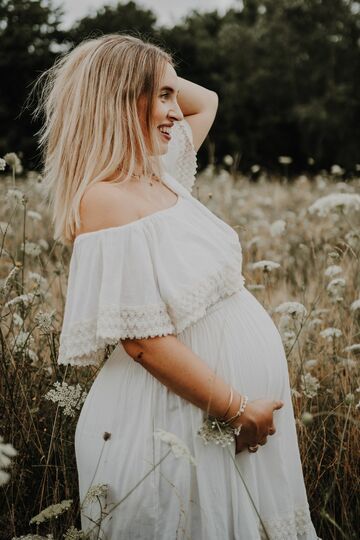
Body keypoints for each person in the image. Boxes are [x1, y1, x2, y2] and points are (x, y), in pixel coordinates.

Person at [34, 34, 319, 539]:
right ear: (120, 99)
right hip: (170, 421)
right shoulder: (104, 200)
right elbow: (142, 340)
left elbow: (206, 100)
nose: (174, 110)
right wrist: (237, 410)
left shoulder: (158, 171)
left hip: (218, 419)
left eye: (171, 94)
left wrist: (151, 70)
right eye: (161, 96)